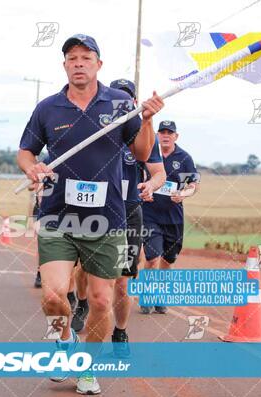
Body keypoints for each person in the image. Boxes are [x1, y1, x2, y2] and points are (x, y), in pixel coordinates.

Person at [17, 34, 164, 394]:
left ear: (99, 64)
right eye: (71, 58)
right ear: (64, 65)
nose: (78, 63)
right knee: (53, 296)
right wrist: (32, 168)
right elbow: (25, 151)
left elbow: (143, 154)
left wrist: (145, 120)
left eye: (86, 57)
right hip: (57, 216)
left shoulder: (120, 103)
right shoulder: (48, 108)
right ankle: (64, 343)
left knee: (101, 300)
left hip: (107, 218)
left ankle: (87, 367)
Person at [71, 79, 165, 358]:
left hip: (127, 213)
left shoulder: (143, 132)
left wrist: (152, 185)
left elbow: (158, 172)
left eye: (127, 99)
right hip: (93, 211)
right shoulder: (93, 128)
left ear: (134, 103)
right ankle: (83, 302)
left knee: (123, 280)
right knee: (85, 269)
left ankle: (120, 331)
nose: (121, 104)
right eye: (116, 98)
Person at [141, 120, 199, 314]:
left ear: (176, 136)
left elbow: (193, 186)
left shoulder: (184, 158)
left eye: (170, 132)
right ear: (157, 135)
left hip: (174, 218)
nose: (166, 135)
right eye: (162, 132)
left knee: (168, 260)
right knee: (152, 257)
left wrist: (183, 194)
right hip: (149, 215)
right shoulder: (148, 154)